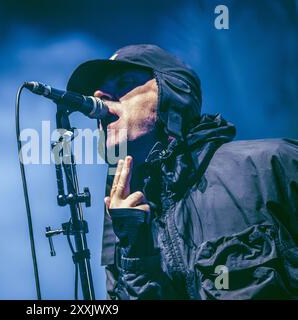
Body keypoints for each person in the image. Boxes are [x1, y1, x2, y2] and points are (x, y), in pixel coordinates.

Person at [66, 44, 298, 299]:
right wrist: (136, 255)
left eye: (125, 82)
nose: (99, 96)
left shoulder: (274, 164)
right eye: (100, 94)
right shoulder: (123, 220)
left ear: (174, 93)